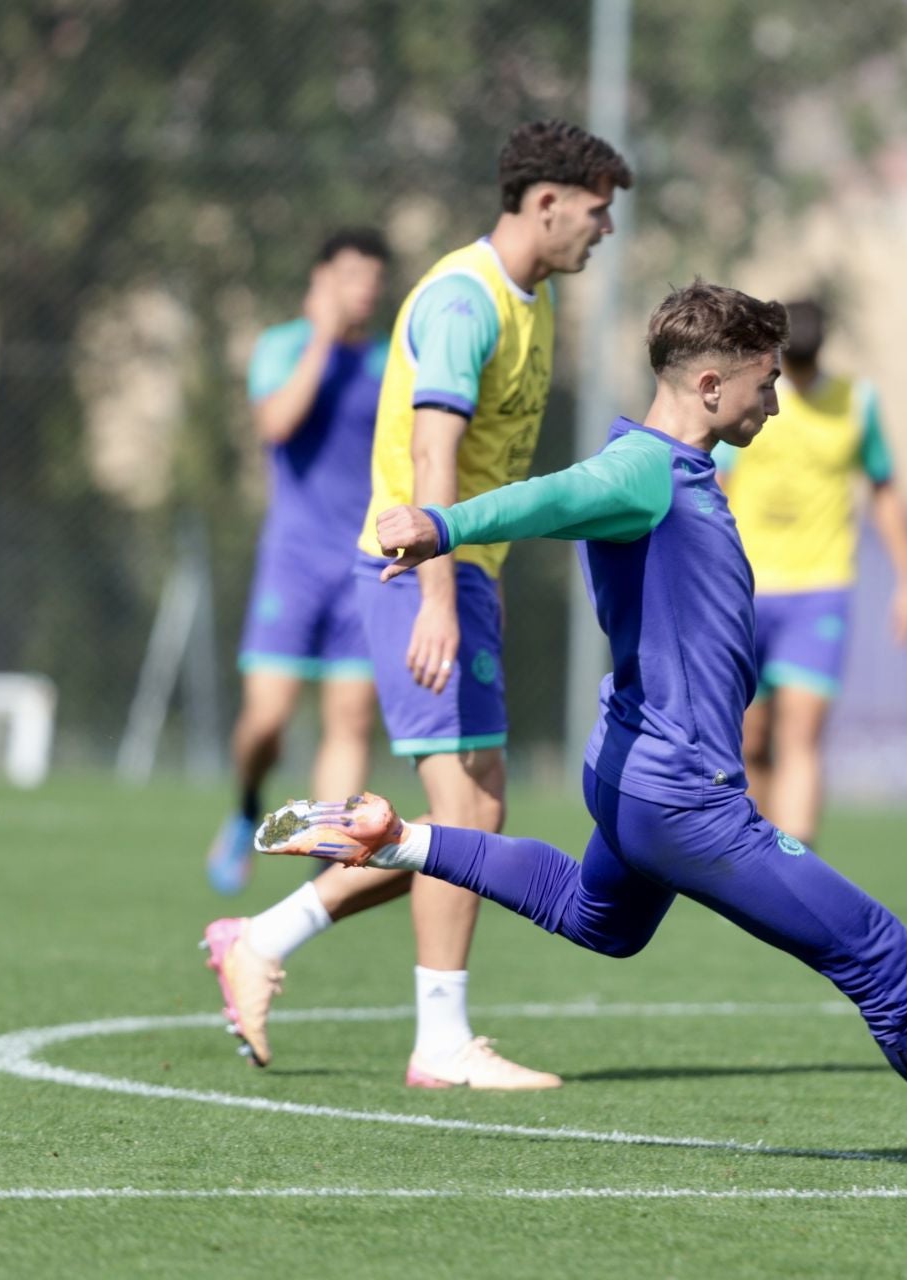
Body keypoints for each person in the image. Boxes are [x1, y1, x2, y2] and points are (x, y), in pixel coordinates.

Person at [252, 281, 907, 1176]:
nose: (778, 400)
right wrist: (442, 525)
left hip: (632, 774)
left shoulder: (678, 467)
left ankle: (398, 837)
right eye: (766, 382)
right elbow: (551, 497)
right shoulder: (644, 469)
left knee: (601, 921)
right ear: (711, 384)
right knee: (877, 948)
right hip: (681, 796)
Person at [202, 120, 632, 1090]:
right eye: (598, 213)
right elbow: (430, 457)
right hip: (409, 575)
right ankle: (436, 1037)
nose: (604, 232)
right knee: (460, 811)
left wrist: (481, 578)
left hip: (455, 574)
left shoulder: (535, 301)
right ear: (547, 201)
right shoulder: (460, 300)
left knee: (467, 812)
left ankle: (264, 934)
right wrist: (442, 591)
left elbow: (483, 465)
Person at [205, 228, 390, 897]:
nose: (364, 290)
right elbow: (277, 425)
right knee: (268, 721)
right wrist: (320, 338)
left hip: (362, 567)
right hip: (291, 563)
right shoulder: (282, 347)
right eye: (350, 275)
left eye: (374, 278)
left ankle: (321, 862)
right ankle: (248, 805)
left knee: (350, 720)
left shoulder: (390, 361)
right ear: (320, 279)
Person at [716, 299, 907, 846]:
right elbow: (720, 483)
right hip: (747, 588)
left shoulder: (856, 403)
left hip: (820, 590)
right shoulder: (754, 397)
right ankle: (751, 856)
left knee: (800, 736)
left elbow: (885, 490)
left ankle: (794, 861)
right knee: (749, 739)